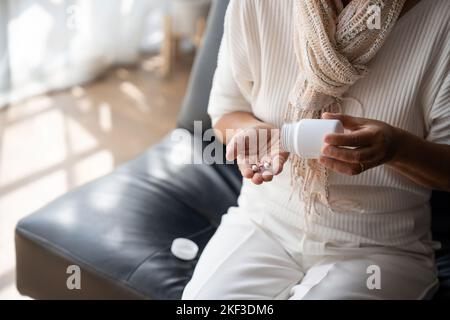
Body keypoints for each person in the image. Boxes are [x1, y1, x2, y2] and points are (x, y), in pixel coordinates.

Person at [182, 0, 450, 300]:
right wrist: (249, 133)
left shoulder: (441, 20)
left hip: (381, 249)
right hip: (263, 223)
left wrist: (397, 149)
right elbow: (226, 111)